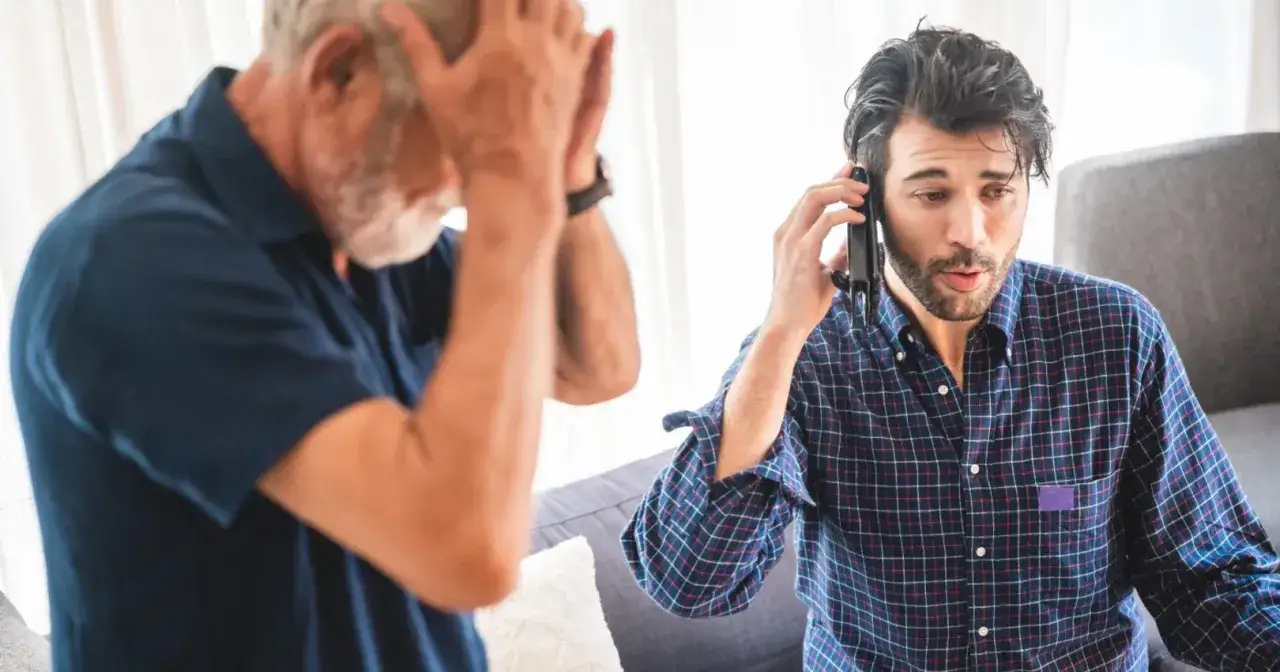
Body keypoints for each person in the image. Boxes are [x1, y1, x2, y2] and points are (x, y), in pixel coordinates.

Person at [621, 24, 1280, 672]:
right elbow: (690, 580)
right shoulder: (807, 358)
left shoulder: (1117, 337)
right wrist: (780, 333)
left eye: (997, 191)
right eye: (932, 193)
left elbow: (1211, 584)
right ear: (866, 199)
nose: (970, 232)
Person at [8, 0, 638, 670]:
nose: (464, 195)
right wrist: (511, 182)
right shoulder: (129, 258)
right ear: (339, 72)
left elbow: (593, 365)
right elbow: (466, 554)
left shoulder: (366, 225)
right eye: (467, 145)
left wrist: (566, 181)